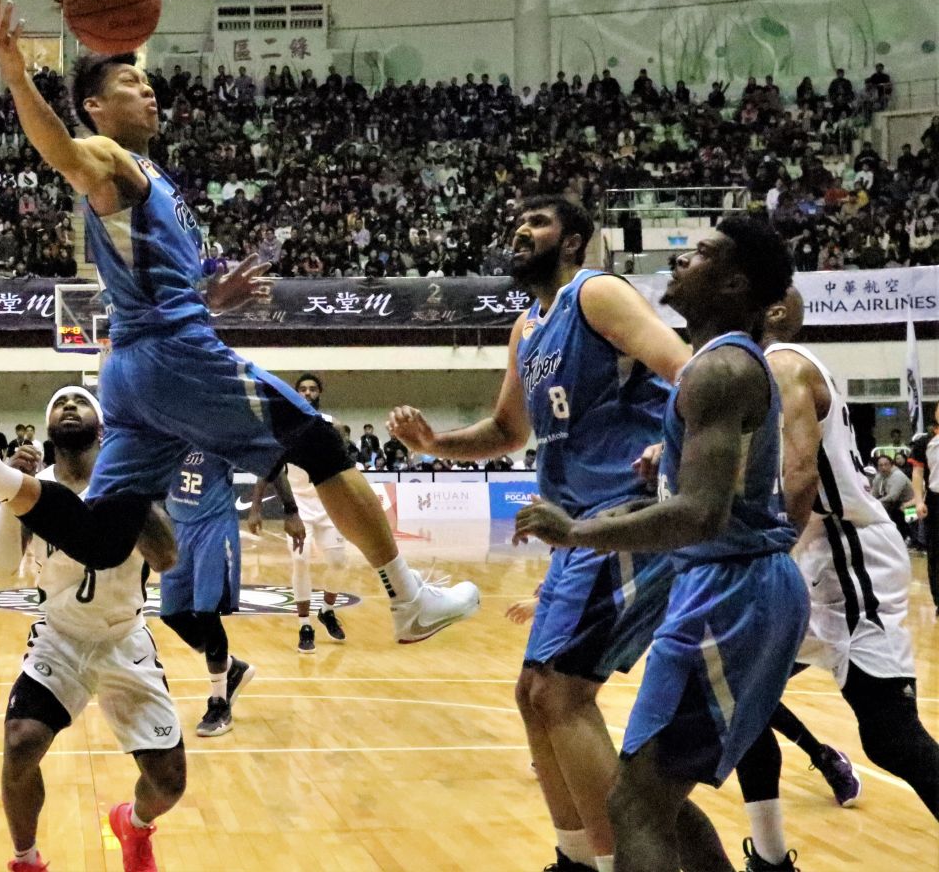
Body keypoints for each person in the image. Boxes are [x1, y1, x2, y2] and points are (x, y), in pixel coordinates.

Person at [0, 0, 479, 650]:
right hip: (173, 356)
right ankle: (408, 597)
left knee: (104, 538)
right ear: (95, 106)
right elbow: (61, 154)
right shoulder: (109, 159)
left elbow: (159, 284)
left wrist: (213, 298)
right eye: (129, 83)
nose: (147, 91)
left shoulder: (156, 179)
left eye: (147, 81)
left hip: (135, 373)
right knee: (316, 441)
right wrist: (14, 71)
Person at [388, 197, 690, 872]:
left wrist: (669, 450)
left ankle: (624, 863)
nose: (521, 230)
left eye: (539, 223)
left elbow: (687, 372)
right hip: (572, 530)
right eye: (515, 222)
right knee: (531, 695)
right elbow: (506, 432)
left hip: (623, 517)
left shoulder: (598, 293)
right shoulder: (527, 328)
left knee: (561, 694)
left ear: (576, 240)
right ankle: (575, 856)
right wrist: (434, 442)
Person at [515, 215, 808, 872]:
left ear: (734, 282)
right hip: (720, 585)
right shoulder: (715, 365)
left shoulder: (723, 369)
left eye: (701, 254)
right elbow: (715, 484)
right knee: (652, 800)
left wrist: (578, 529)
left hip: (733, 589)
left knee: (635, 807)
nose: (681, 261)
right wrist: (666, 466)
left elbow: (701, 515)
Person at [731, 287, 938, 871]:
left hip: (849, 558)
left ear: (770, 306)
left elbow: (799, 480)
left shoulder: (784, 365)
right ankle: (771, 859)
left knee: (891, 736)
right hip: (812, 555)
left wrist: (761, 563)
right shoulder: (748, 370)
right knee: (743, 695)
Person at [0, 385, 184, 872]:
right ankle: (26, 860)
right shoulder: (34, 488)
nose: (68, 407)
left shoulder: (129, 480)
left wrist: (129, 495)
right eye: (59, 404)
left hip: (124, 639)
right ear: (48, 428)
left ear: (102, 427)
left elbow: (167, 557)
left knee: (169, 783)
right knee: (20, 742)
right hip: (60, 637)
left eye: (80, 402)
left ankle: (133, 827)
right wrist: (9, 490)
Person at [159, 449, 262, 737]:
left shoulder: (216, 427)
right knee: (172, 614)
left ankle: (219, 702)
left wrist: (287, 509)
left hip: (214, 526)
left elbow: (272, 461)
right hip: (177, 526)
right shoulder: (162, 428)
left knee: (207, 612)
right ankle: (231, 668)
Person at [249, 374, 351, 653]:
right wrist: (256, 507)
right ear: (295, 394)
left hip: (329, 504)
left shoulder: (333, 426)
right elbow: (268, 469)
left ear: (319, 393)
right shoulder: (283, 429)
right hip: (299, 507)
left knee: (339, 563)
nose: (307, 393)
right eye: (302, 389)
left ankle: (327, 610)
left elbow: (346, 470)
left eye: (312, 389)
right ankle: (304, 625)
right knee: (300, 561)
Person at [910, 404, 939, 617]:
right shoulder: (924, 441)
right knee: (936, 552)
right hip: (935, 501)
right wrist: (919, 501)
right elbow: (918, 474)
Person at [871, 452, 915, 542]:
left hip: (912, 503)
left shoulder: (897, 475)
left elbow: (892, 496)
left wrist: (876, 502)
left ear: (891, 465)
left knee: (896, 510)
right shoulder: (879, 476)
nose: (883, 467)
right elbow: (874, 494)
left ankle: (913, 539)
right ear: (877, 467)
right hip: (896, 504)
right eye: (880, 465)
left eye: (886, 464)